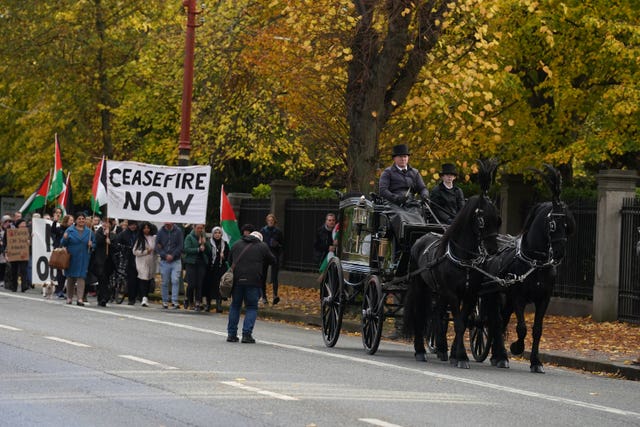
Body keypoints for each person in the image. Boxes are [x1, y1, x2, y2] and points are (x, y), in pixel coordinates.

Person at [226, 230, 276, 343]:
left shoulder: (237, 244)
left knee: (235, 305)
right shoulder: (262, 246)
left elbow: (229, 260)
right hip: (254, 281)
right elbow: (273, 260)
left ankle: (231, 334)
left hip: (237, 280)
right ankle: (246, 334)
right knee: (252, 307)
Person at [60, 212, 95, 306]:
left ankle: (80, 298)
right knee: (71, 277)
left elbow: (94, 244)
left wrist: (91, 245)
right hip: (72, 256)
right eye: (79, 219)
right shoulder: (70, 230)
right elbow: (63, 243)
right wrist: (65, 238)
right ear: (76, 220)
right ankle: (69, 297)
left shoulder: (89, 231)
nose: (81, 220)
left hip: (84, 257)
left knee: (81, 277)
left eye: (83, 219)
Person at [183, 223, 211, 312]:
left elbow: (209, 251)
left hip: (201, 263)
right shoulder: (189, 237)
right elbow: (186, 249)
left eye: (201, 228)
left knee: (199, 284)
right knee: (191, 284)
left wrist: (205, 243)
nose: (200, 230)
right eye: (198, 228)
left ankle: (198, 302)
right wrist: (197, 249)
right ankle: (188, 298)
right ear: (194, 228)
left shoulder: (203, 237)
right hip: (191, 263)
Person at [156, 222, 184, 309]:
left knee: (175, 280)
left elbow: (180, 245)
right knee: (165, 281)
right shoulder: (160, 232)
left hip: (175, 260)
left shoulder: (178, 231)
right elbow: (157, 246)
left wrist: (173, 255)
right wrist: (164, 255)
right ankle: (165, 300)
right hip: (165, 261)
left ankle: (174, 300)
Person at [113, 220, 139, 305]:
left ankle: (134, 296)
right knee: (127, 276)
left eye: (134, 225)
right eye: (131, 225)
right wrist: (121, 247)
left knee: (135, 277)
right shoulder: (124, 234)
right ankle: (129, 297)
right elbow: (116, 242)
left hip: (136, 256)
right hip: (126, 256)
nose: (133, 227)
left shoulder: (138, 233)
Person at [260, 213, 284, 305]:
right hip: (265, 255)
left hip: (274, 255)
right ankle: (264, 296)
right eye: (269, 221)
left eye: (272, 221)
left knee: (274, 277)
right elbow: (259, 242)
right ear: (267, 221)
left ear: (274, 222)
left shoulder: (278, 232)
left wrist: (277, 244)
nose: (270, 222)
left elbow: (282, 244)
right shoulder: (263, 231)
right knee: (263, 277)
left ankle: (275, 295)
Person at [132, 221, 157, 308]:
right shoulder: (139, 239)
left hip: (151, 261)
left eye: (148, 228)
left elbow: (156, 249)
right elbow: (134, 251)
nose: (146, 230)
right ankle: (144, 297)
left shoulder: (153, 238)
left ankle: (145, 295)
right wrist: (145, 251)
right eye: (144, 228)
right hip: (142, 261)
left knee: (149, 278)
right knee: (144, 278)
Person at [92, 218, 115, 307]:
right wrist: (104, 237)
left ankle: (104, 296)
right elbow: (97, 241)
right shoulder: (99, 232)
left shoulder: (112, 234)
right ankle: (102, 298)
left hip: (109, 260)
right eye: (104, 223)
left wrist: (110, 243)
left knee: (106, 279)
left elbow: (115, 245)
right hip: (100, 259)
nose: (105, 224)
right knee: (102, 278)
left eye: (107, 223)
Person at [206, 226, 230, 313]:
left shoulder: (225, 244)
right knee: (209, 286)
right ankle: (208, 304)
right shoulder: (209, 243)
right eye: (215, 233)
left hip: (220, 268)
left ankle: (218, 304)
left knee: (219, 287)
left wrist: (223, 257)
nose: (217, 235)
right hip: (211, 268)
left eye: (219, 233)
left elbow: (228, 256)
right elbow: (206, 254)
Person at [52, 212, 72, 298]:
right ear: (66, 220)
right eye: (71, 220)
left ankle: (61, 289)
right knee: (60, 272)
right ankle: (58, 290)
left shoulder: (72, 229)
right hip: (60, 252)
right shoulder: (60, 228)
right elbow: (52, 231)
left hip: (68, 252)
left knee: (65, 273)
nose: (72, 222)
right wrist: (55, 221)